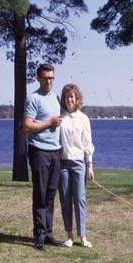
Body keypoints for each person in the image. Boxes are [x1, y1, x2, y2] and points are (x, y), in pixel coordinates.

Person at [23, 64, 64, 250]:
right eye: (45, 78)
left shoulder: (55, 98)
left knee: (50, 194)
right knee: (40, 194)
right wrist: (49, 123)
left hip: (55, 151)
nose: (49, 81)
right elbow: (27, 126)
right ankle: (38, 235)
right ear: (39, 78)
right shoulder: (33, 99)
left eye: (52, 78)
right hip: (39, 151)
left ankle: (48, 234)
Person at [58, 84, 95, 248]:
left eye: (72, 97)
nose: (69, 100)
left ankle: (83, 236)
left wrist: (90, 165)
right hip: (63, 164)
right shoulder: (59, 117)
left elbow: (88, 143)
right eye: (67, 97)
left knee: (80, 199)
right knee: (65, 200)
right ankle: (69, 236)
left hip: (79, 163)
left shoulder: (84, 118)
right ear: (64, 100)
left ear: (77, 99)